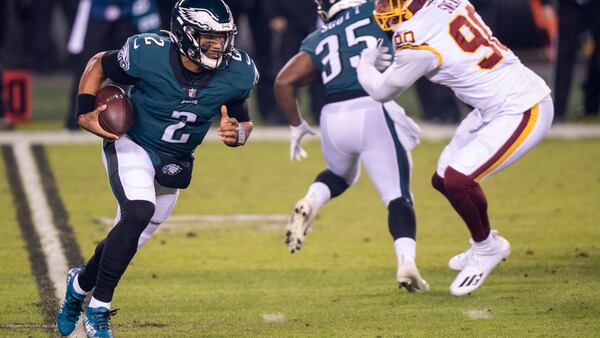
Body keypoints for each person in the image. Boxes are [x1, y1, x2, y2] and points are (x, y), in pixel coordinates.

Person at [55, 0, 258, 337]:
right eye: (208, 38)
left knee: (127, 237)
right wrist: (83, 112)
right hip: (132, 141)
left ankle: (78, 285)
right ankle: (98, 310)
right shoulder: (147, 52)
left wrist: (237, 133)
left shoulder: (238, 71)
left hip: (175, 161)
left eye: (222, 38)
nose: (218, 46)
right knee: (137, 211)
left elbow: (243, 121)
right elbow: (96, 64)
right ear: (186, 34)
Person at [358, 0, 554, 296]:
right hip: (490, 108)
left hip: (523, 106)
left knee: (459, 180)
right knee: (442, 180)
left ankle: (486, 248)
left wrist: (364, 63)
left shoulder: (415, 37)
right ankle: (485, 244)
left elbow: (380, 90)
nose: (385, 7)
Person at [275, 0, 430, 292]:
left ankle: (311, 199)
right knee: (398, 197)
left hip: (332, 115)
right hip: (372, 106)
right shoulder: (377, 9)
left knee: (341, 174)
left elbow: (284, 81)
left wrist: (297, 124)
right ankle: (406, 262)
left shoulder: (318, 35)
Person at [543, 0, 600, 120]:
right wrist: (546, 3)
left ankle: (591, 106)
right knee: (564, 54)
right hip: (569, 5)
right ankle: (558, 109)